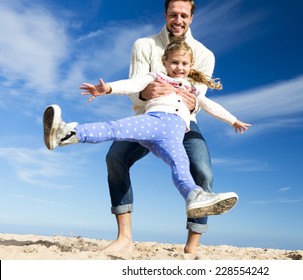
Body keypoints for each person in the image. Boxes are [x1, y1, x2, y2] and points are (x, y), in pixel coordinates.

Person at [43, 38, 250, 226]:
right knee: (115, 129)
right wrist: (107, 89)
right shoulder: (156, 77)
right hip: (152, 122)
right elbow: (132, 85)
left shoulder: (191, 89)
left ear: (190, 66)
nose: (179, 67)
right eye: (175, 62)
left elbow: (210, 106)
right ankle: (66, 133)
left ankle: (194, 195)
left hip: (173, 136)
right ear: (165, 62)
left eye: (184, 64)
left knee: (180, 165)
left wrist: (233, 120)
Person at [105, 0, 222, 254]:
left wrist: (191, 104)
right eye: (173, 14)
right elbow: (134, 91)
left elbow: (198, 101)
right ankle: (124, 237)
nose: (178, 20)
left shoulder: (205, 55)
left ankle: (192, 246)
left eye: (183, 15)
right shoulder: (143, 45)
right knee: (115, 157)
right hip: (147, 116)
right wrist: (146, 93)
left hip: (183, 123)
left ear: (192, 18)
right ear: (165, 14)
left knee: (202, 171)